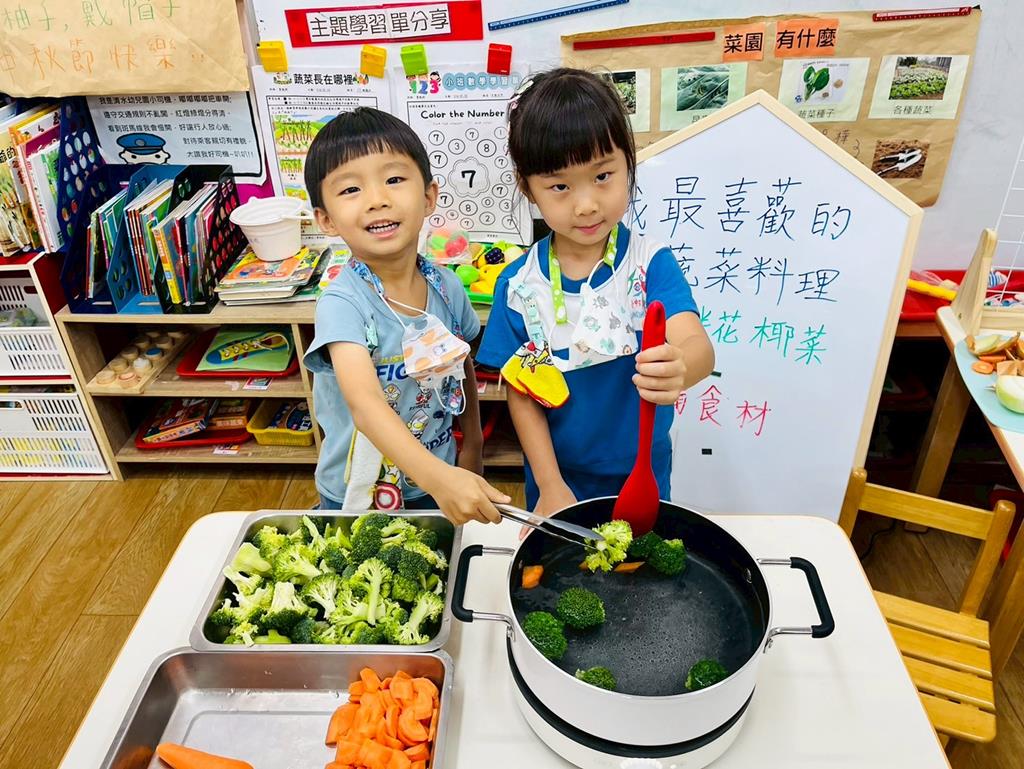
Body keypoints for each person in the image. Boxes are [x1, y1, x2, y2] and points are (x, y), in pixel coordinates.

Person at [477, 68, 715, 516]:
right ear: (528, 188)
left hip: (644, 470)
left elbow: (695, 343)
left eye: (603, 175)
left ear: (628, 163)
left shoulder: (649, 262)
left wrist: (681, 366)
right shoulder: (518, 286)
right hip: (555, 476)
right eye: (560, 186)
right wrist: (550, 484)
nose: (586, 205)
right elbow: (522, 395)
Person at [302, 107, 508, 524]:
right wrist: (440, 478)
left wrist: (472, 446)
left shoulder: (447, 287)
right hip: (358, 491)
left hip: (436, 476)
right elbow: (365, 405)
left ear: (429, 196)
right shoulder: (342, 304)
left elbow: (462, 366)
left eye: (394, 180)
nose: (377, 199)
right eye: (351, 189)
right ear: (325, 219)